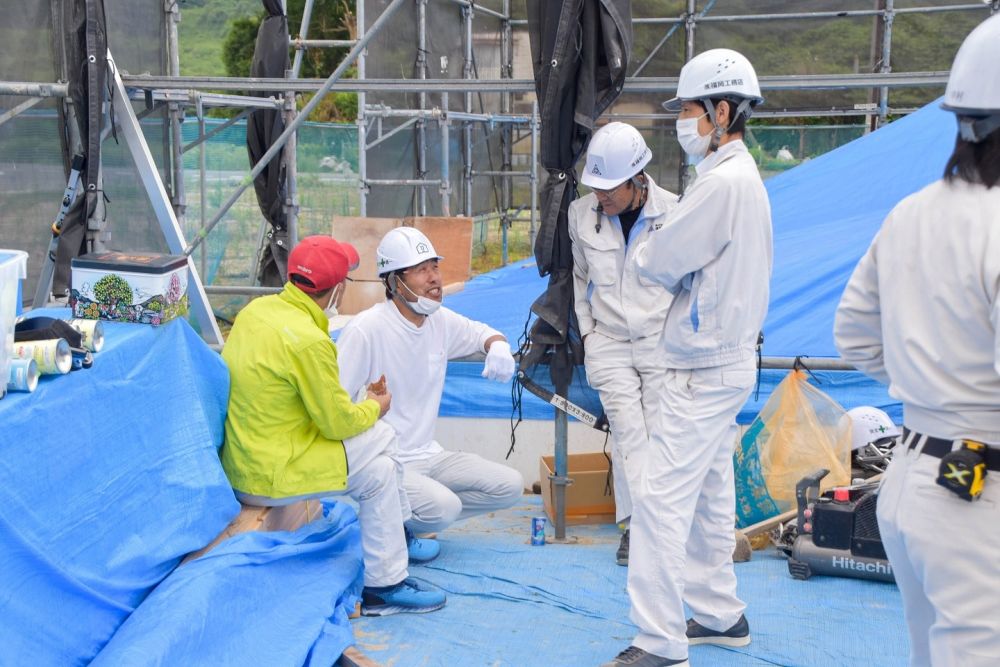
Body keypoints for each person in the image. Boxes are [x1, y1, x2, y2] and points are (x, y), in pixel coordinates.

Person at [834, 15, 1000, 666]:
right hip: (976, 487)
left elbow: (852, 331)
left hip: (913, 476)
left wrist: (929, 385)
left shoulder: (913, 211)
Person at [603, 49, 772, 667]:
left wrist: (650, 254)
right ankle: (720, 615)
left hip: (702, 369)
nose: (684, 120)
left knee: (657, 503)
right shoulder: (740, 178)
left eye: (692, 110)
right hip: (723, 363)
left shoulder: (720, 186)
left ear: (722, 111)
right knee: (706, 496)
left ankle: (658, 641)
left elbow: (660, 261)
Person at [220, 235, 446, 617]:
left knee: (378, 472)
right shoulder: (309, 340)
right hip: (276, 473)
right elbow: (337, 423)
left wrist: (360, 407)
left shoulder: (257, 312)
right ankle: (396, 551)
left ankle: (387, 577)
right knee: (383, 435)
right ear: (338, 289)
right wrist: (374, 406)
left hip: (247, 458)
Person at [336, 227, 525, 537]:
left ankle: (402, 518)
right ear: (395, 282)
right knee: (444, 507)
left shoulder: (439, 321)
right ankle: (394, 517)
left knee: (509, 486)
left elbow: (481, 332)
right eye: (421, 270)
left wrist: (498, 345)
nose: (434, 278)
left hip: (429, 454)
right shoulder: (366, 329)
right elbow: (336, 400)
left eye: (434, 267)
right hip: (384, 458)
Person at [571, 121, 679, 566]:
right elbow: (578, 280)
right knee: (629, 435)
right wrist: (590, 335)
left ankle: (661, 525)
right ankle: (637, 530)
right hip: (610, 342)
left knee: (660, 434)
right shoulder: (582, 215)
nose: (601, 197)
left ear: (638, 179)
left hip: (659, 342)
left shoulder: (675, 213)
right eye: (595, 188)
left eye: (609, 189)